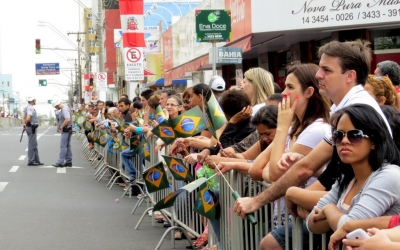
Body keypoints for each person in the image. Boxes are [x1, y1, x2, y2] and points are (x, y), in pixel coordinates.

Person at [233, 40, 393, 221]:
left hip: (364, 213)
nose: (319, 75)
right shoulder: (343, 107)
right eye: (320, 69)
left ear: (350, 76)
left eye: (327, 70)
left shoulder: (356, 109)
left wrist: (258, 201)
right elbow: (327, 170)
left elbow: (303, 169)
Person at [307, 104, 400, 235]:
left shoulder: (389, 176)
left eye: (355, 135)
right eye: (338, 135)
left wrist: (329, 210)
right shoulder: (348, 177)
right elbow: (312, 223)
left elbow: (350, 226)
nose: (344, 141)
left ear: (374, 141)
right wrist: (339, 220)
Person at [52, 99, 73, 167]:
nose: (56, 108)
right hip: (67, 129)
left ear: (58, 105)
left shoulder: (64, 109)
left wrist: (61, 127)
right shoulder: (65, 109)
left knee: (63, 146)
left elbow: (67, 119)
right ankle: (68, 161)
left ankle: (60, 162)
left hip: (66, 129)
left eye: (56, 107)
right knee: (67, 145)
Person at [23, 97, 43, 166]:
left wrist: (24, 124)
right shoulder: (30, 108)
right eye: (35, 100)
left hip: (30, 127)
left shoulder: (26, 107)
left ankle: (36, 160)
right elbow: (28, 118)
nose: (35, 101)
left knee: (34, 144)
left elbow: (24, 117)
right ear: (32, 101)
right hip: (31, 128)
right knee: (32, 144)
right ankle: (31, 161)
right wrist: (26, 123)